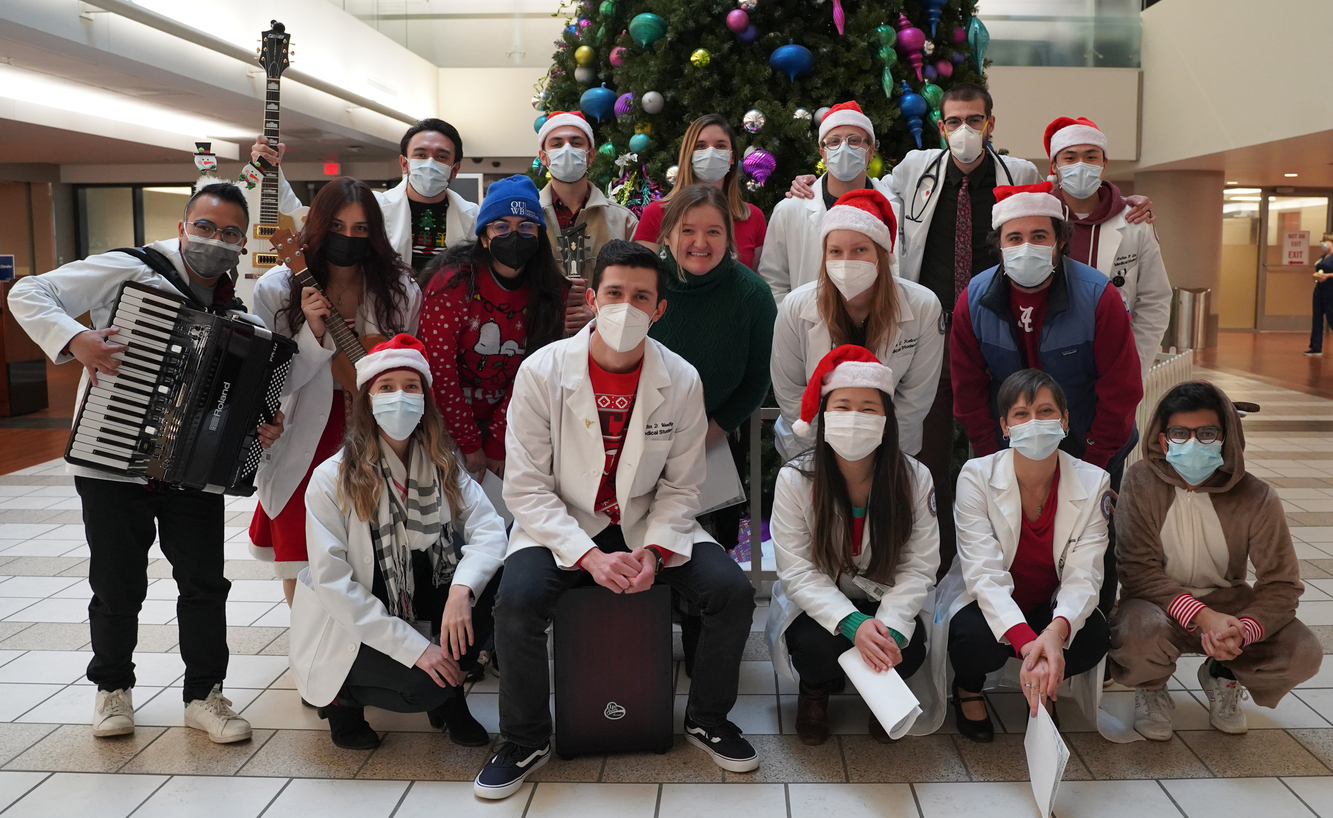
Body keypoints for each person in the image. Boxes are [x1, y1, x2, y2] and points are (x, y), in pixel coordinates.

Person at [787, 86, 1150, 575]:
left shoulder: (1020, 179)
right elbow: (862, 195)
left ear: (991, 124)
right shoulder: (916, 169)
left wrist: (1124, 202)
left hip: (1027, 361)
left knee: (1078, 523)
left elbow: (1062, 196)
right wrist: (808, 186)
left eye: (974, 121)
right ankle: (932, 567)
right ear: (940, 126)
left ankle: (1062, 601)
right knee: (939, 464)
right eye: (954, 121)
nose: (964, 132)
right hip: (952, 331)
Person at [474, 240, 758, 799]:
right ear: (593, 297)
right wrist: (587, 556)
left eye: (641, 296)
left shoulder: (680, 379)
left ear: (660, 309)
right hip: (560, 521)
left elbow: (683, 485)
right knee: (516, 601)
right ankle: (524, 737)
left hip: (649, 521)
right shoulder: (542, 371)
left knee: (731, 592)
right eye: (615, 293)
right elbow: (526, 487)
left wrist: (653, 552)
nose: (626, 307)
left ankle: (707, 718)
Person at [6, 181, 283, 743]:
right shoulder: (132, 268)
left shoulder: (240, 313)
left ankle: (205, 696)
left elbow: (253, 402)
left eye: (230, 233)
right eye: (205, 227)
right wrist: (77, 338)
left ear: (241, 242)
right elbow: (28, 292)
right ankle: (112, 691)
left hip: (192, 474)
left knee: (205, 585)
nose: (215, 240)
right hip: (111, 461)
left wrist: (263, 428)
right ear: (184, 226)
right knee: (116, 584)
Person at [293, 335, 508, 750]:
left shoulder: (442, 463)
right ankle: (344, 701)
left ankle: (449, 695)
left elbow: (489, 527)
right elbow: (335, 587)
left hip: (426, 599)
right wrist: (416, 650)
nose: (400, 398)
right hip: (354, 620)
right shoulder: (331, 478)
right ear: (367, 400)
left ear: (425, 399)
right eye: (386, 387)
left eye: (411, 387)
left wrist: (462, 591)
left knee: (500, 579)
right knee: (421, 686)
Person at [1110, 381, 1322, 740]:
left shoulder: (1256, 496)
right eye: (1180, 433)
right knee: (1137, 633)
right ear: (1163, 440)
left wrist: (1245, 628)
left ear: (1226, 438)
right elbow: (1137, 571)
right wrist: (1202, 617)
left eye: (1207, 433)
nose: (1193, 443)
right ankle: (1151, 687)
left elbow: (1282, 584)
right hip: (1158, 603)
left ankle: (1223, 673)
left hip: (1230, 609)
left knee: (1304, 652)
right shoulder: (1141, 482)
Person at [250, 178, 422, 603]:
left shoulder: (399, 289)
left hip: (378, 430)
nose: (348, 238)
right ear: (318, 226)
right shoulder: (277, 287)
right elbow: (271, 381)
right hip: (305, 429)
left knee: (374, 543)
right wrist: (311, 332)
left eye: (361, 229)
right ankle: (309, 648)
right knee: (303, 550)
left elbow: (408, 363)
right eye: (338, 227)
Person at [767, 346, 939, 745]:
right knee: (813, 647)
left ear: (887, 420)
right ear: (824, 417)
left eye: (868, 408)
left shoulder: (915, 477)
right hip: (821, 603)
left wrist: (891, 628)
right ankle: (815, 692)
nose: (854, 418)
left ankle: (884, 696)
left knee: (909, 650)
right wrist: (852, 623)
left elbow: (919, 565)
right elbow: (797, 570)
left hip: (885, 598)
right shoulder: (796, 478)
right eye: (842, 406)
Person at [941, 369, 1111, 743]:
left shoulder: (1094, 481)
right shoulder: (976, 476)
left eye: (1046, 411)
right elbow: (983, 573)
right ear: (1004, 426)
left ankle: (1045, 685)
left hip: (1047, 604)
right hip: (991, 602)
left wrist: (1053, 633)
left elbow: (1085, 575)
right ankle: (968, 688)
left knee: (1092, 637)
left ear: (1065, 421)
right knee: (972, 638)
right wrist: (1025, 642)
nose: (1035, 422)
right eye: (1021, 414)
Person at [951, 181, 1142, 480]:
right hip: (1007, 446)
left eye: (1039, 236)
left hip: (1091, 442)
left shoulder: (1098, 298)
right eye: (1014, 238)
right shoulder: (974, 301)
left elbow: (1121, 389)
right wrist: (993, 458)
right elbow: (967, 390)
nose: (1026, 247)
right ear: (999, 244)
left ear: (1061, 241)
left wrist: (1093, 465)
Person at [771, 188, 943, 463]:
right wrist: (832, 451)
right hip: (811, 449)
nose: (846, 261)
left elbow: (915, 399)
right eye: (835, 251)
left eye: (860, 250)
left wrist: (874, 452)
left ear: (882, 254)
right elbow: (790, 392)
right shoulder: (795, 308)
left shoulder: (923, 307)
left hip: (892, 449)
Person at [417, 176, 570, 481]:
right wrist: (471, 444)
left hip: (517, 420)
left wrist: (498, 440)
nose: (514, 235)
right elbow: (439, 371)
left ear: (539, 235)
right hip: (445, 422)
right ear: (484, 236)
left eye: (526, 226)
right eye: (501, 226)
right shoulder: (452, 284)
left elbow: (535, 372)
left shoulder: (552, 291)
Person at [647, 184, 775, 533]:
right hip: (638, 441)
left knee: (709, 549)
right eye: (687, 230)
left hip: (714, 442)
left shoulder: (754, 295)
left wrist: (708, 435)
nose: (700, 243)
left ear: (729, 238)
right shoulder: (643, 285)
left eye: (713, 232)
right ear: (668, 236)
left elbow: (757, 378)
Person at [252, 118, 479, 273]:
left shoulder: (474, 217)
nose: (430, 163)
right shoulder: (371, 206)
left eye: (441, 156)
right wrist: (268, 169)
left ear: (455, 168)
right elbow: (301, 222)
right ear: (404, 163)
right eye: (420, 154)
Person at [1044, 117, 1171, 377]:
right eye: (1069, 158)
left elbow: (1154, 300)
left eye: (1091, 157)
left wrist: (1134, 363)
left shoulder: (1134, 221)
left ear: (1104, 165)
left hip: (1114, 360)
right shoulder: (1038, 216)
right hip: (1047, 359)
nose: (1081, 165)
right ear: (1055, 166)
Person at [759, 101, 893, 303]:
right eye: (834, 142)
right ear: (822, 151)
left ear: (870, 150)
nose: (844, 148)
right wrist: (794, 327)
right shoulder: (789, 209)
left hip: (881, 324)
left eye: (854, 140)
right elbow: (773, 281)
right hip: (808, 326)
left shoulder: (894, 202)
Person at [536, 111, 637, 334]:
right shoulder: (527, 218)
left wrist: (598, 315)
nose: (567, 149)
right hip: (539, 345)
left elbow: (639, 287)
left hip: (604, 345)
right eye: (557, 143)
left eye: (576, 142)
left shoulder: (623, 221)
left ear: (590, 155)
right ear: (543, 157)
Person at [634, 114, 768, 269]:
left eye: (720, 146)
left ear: (732, 157)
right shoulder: (657, 213)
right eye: (700, 146)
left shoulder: (753, 217)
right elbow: (643, 280)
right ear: (689, 155)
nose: (711, 152)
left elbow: (758, 282)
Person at [1305, 233, 1333, 356]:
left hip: (1331, 290)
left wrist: (1328, 276)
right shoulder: (1323, 257)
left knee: (1331, 317)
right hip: (1319, 289)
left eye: (1326, 241)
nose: (1323, 243)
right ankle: (1315, 346)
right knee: (1317, 318)